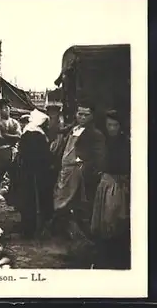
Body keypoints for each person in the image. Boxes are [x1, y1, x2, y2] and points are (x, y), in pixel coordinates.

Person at [52, 102, 105, 237]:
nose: (82, 117)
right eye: (80, 114)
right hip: (65, 169)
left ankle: (81, 234)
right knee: (60, 197)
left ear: (92, 116)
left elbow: (99, 157)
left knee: (76, 202)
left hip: (78, 171)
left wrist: (85, 166)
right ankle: (62, 229)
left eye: (86, 115)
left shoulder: (95, 134)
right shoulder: (73, 129)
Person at [90, 110, 130, 269]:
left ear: (120, 126)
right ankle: (104, 255)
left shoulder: (125, 143)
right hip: (105, 182)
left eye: (115, 125)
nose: (112, 128)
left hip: (118, 184)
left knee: (113, 218)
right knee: (103, 221)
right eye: (109, 125)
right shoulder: (105, 141)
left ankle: (116, 257)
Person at [15, 109, 54, 238]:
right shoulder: (38, 135)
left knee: (28, 199)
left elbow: (22, 152)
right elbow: (45, 155)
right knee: (41, 199)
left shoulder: (27, 132)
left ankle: (28, 228)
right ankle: (41, 227)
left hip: (26, 171)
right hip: (40, 172)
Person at [0, 98, 22, 214]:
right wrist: (11, 138)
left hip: (13, 153)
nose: (5, 110)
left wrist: (6, 135)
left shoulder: (15, 123)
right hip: (1, 153)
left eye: (7, 108)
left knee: (15, 180)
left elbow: (19, 136)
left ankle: (16, 204)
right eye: (3, 108)